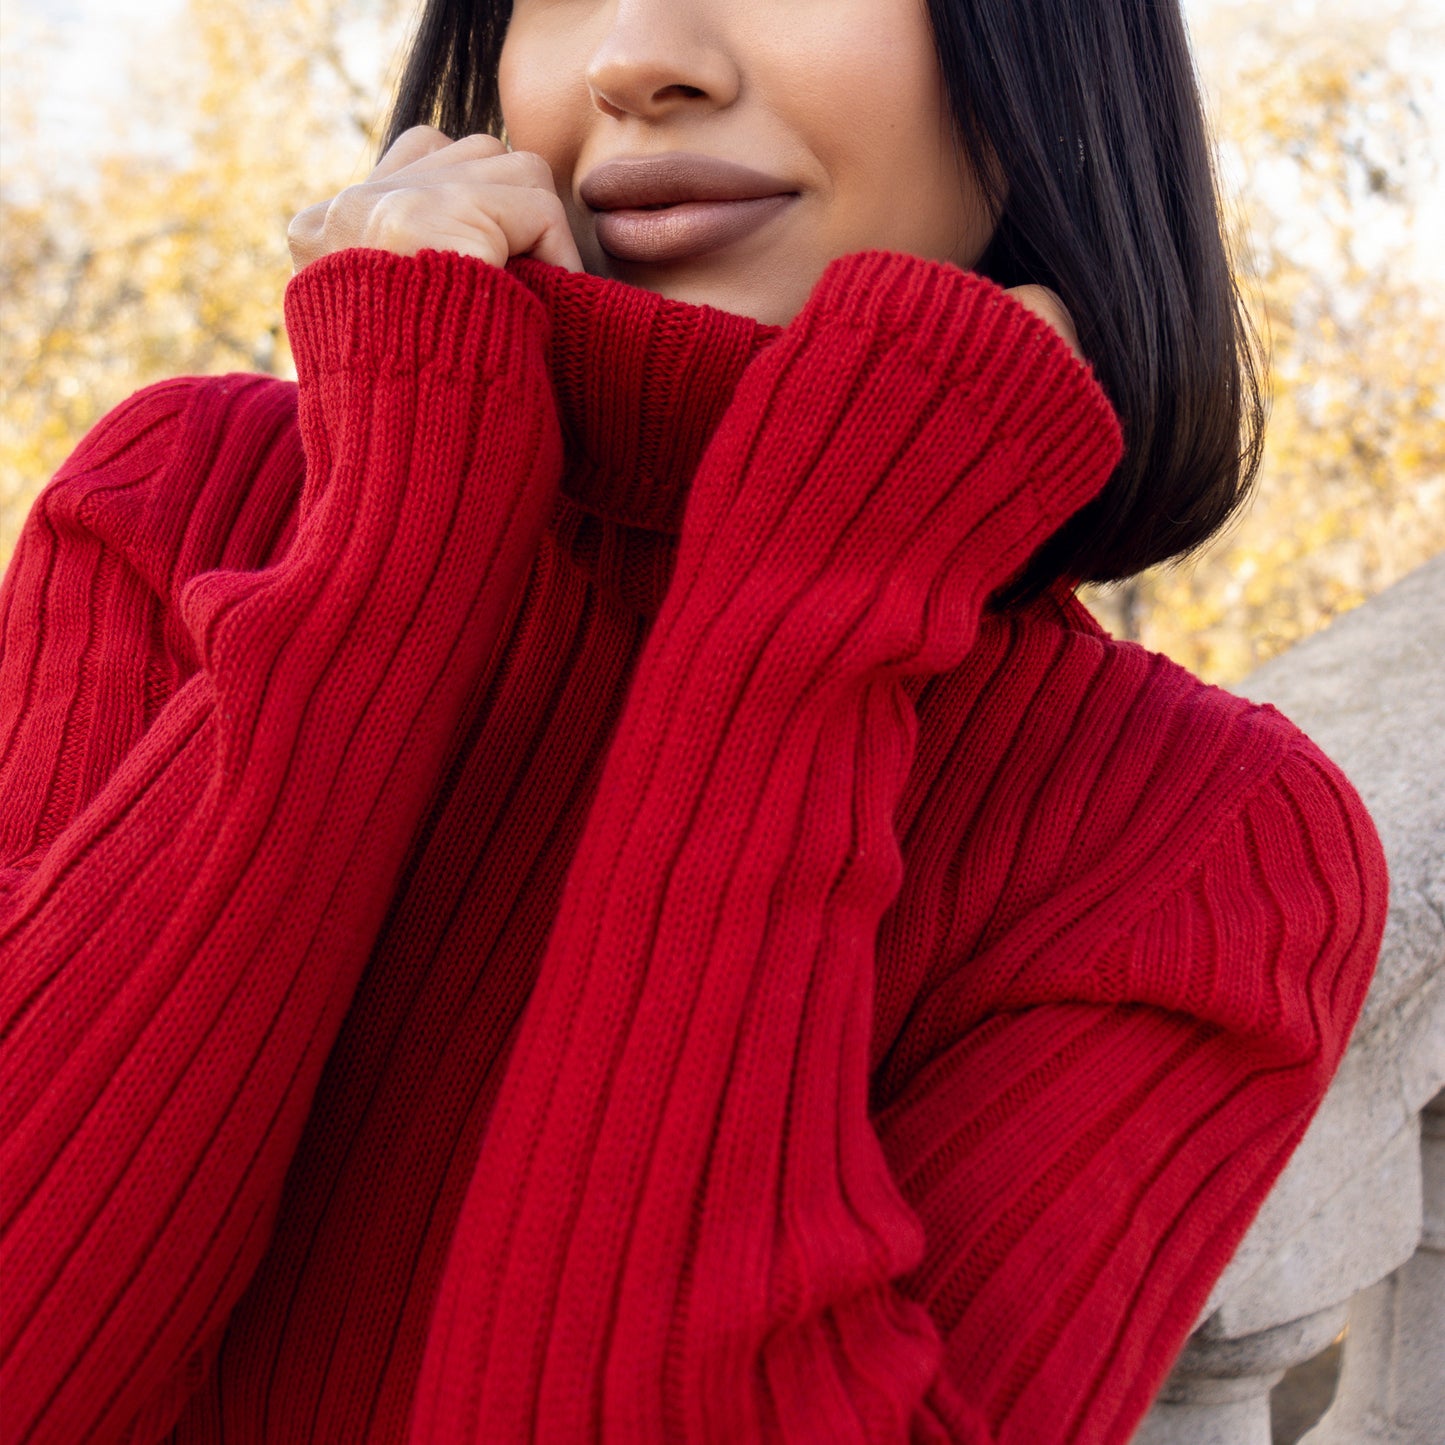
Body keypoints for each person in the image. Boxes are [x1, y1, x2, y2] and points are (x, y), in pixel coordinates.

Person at [0, 0, 1388, 1440]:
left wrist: (805, 618)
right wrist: (384, 553)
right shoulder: (180, 506)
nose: (634, 57)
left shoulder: (1196, 848)